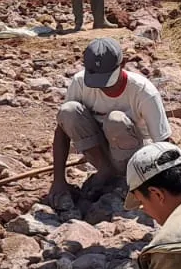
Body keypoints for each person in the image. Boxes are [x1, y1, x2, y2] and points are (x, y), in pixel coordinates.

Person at [48, 37, 171, 207]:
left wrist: (165, 186)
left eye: (107, 80)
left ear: (122, 64)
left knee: (115, 119)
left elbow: (163, 143)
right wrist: (59, 180)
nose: (103, 87)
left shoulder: (143, 91)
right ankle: (105, 170)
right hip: (99, 154)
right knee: (68, 110)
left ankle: (124, 177)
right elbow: (62, 131)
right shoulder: (80, 83)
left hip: (133, 156)